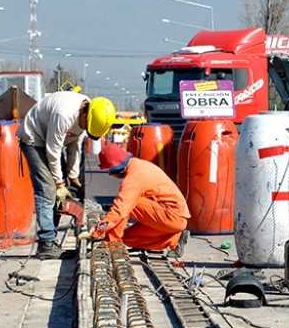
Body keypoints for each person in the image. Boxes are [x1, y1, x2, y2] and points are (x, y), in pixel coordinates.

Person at [18, 92, 116, 259]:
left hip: (51, 141)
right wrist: (59, 183)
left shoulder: (89, 118)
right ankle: (47, 243)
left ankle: (51, 236)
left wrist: (73, 176)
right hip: (34, 138)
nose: (85, 128)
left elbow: (74, 147)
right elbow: (53, 151)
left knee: (59, 192)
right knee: (47, 188)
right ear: (85, 113)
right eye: (86, 124)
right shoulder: (63, 115)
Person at [91, 143, 190, 256]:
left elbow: (120, 210)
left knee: (129, 204)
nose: (110, 175)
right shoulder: (137, 165)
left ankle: (112, 243)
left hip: (173, 216)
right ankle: (175, 239)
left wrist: (98, 230)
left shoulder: (134, 178)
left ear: (116, 168)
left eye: (110, 171)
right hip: (172, 218)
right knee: (127, 238)